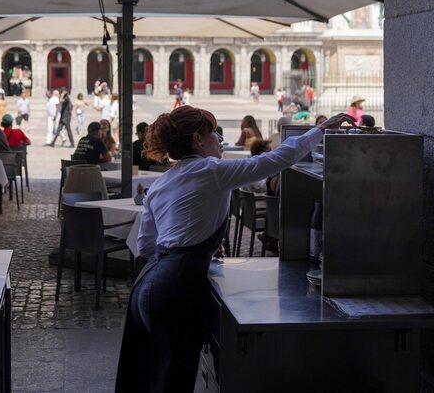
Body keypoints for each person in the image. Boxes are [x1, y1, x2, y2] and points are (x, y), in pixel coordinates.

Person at [114, 107, 355, 392]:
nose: (219, 138)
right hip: (176, 289)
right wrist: (320, 129)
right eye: (213, 132)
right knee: (175, 380)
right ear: (197, 140)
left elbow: (146, 245)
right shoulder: (211, 171)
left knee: (149, 376)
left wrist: (191, 244)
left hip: (148, 285)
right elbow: (275, 160)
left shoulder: (163, 181)